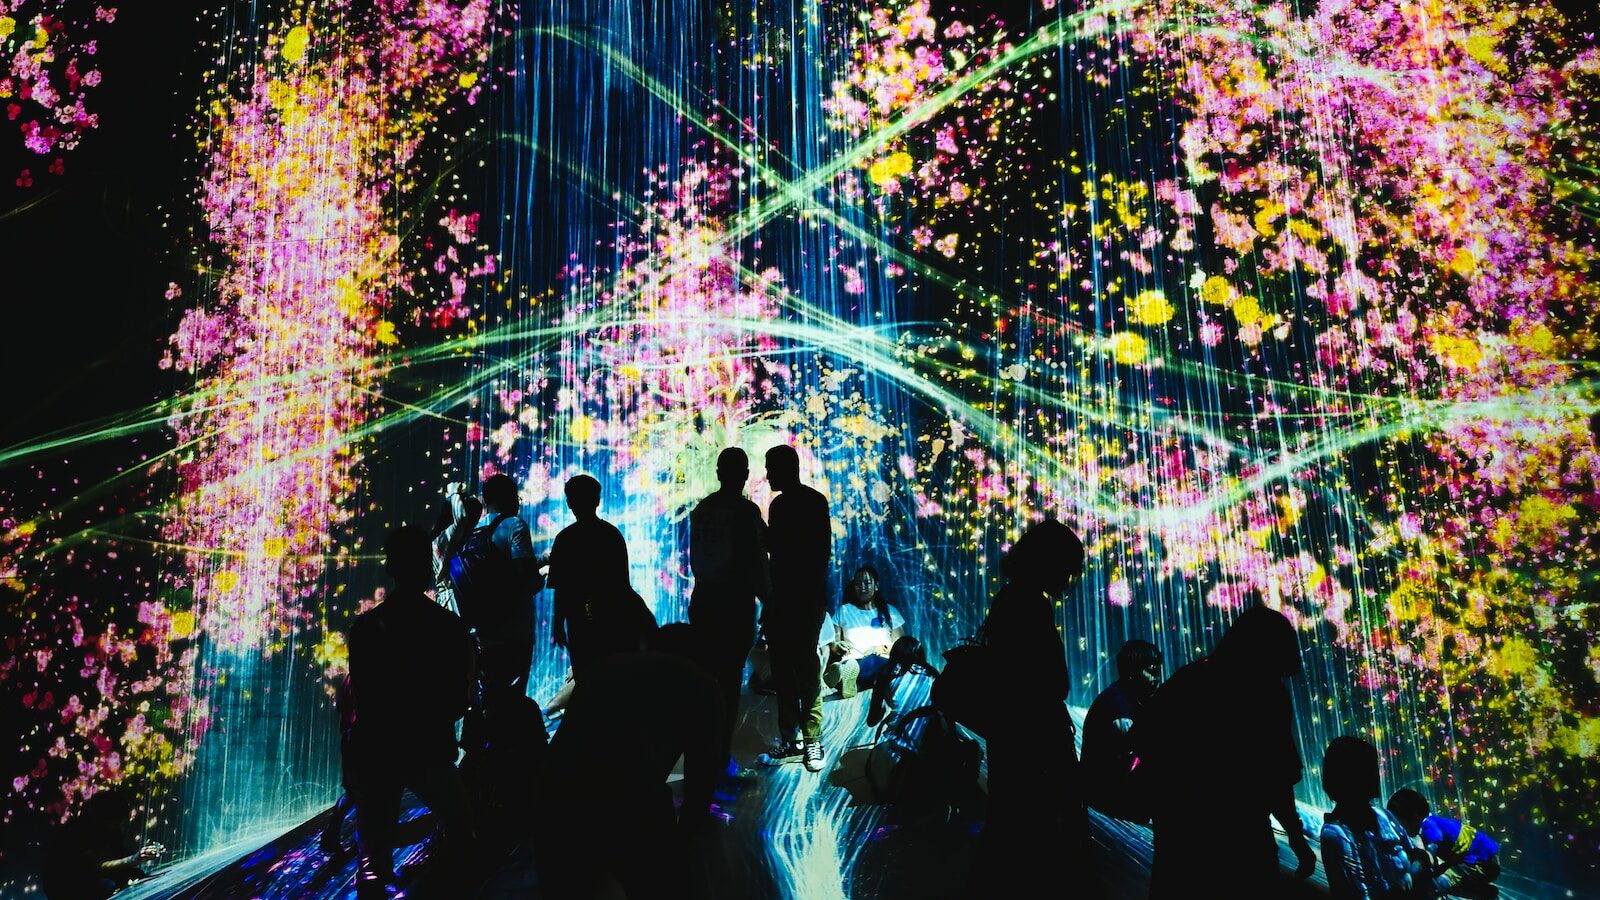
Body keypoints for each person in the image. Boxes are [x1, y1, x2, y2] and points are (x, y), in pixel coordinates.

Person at [1136, 604, 1318, 898]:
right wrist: (1296, 838)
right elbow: (1277, 779)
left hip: (1181, 829)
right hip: (1243, 834)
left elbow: (1145, 742)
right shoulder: (1269, 696)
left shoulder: (1187, 679)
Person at [533, 623, 722, 899]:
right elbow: (700, 788)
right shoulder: (702, 684)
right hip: (633, 799)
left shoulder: (605, 668)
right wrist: (677, 851)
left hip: (557, 794)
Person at [345, 525, 478, 900]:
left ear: (391, 567)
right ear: (425, 566)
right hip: (427, 745)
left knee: (372, 860)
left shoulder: (368, 627)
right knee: (461, 829)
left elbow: (363, 696)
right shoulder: (447, 626)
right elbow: (457, 698)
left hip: (377, 747)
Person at [967, 518, 1098, 897]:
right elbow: (1044, 681)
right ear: (1049, 564)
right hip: (1033, 741)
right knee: (1031, 828)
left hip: (1018, 738)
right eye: (1067, 569)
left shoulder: (1013, 599)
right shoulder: (1027, 605)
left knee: (1012, 826)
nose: (1070, 581)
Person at [688, 448, 772, 773]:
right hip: (734, 604)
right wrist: (769, 602)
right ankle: (721, 753)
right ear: (745, 473)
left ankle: (701, 750)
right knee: (730, 679)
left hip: (704, 600)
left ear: (719, 472)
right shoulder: (746, 512)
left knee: (706, 676)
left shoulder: (702, 509)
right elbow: (758, 561)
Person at [760, 444, 833, 773]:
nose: (767, 475)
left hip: (795, 599)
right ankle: (802, 738)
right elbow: (819, 555)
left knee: (798, 669)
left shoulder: (785, 506)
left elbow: (783, 553)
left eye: (770, 468)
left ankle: (805, 737)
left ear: (784, 468)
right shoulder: (812, 501)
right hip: (802, 598)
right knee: (801, 668)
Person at [458, 472, 544, 707]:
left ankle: (485, 742)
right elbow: (526, 579)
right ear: (512, 498)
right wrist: (542, 577)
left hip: (480, 632)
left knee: (487, 700)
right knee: (510, 703)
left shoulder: (472, 532)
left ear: (486, 501)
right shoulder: (514, 525)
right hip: (513, 632)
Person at [546, 474, 647, 672]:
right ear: (598, 500)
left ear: (569, 502)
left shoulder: (565, 539)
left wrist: (558, 624)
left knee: (585, 672)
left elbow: (561, 587)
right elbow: (622, 583)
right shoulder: (612, 535)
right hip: (612, 615)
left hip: (579, 618)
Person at [824, 565, 930, 728]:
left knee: (876, 662)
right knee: (854, 666)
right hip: (852, 661)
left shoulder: (889, 611)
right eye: (858, 584)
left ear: (876, 585)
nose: (862, 587)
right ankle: (849, 680)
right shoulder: (844, 611)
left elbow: (901, 646)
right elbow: (834, 645)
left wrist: (881, 648)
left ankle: (849, 682)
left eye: (867, 583)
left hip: (883, 663)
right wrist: (839, 645)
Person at [1320, 737, 1426, 899]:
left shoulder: (1384, 815)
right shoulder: (1335, 834)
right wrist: (1416, 869)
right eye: (1370, 770)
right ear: (1351, 778)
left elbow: (1415, 855)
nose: (1377, 776)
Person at [1081, 639, 1163, 822]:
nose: (1157, 679)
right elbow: (1137, 743)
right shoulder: (1115, 702)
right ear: (1132, 672)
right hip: (1105, 794)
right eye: (1151, 672)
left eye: (1158, 672)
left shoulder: (1137, 698)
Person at [41, 789, 163, 900]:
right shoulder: (76, 831)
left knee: (134, 874)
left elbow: (121, 855)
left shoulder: (110, 828)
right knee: (106, 886)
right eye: (115, 822)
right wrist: (134, 858)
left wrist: (143, 856)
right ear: (100, 817)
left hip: (86, 877)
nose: (118, 826)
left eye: (119, 822)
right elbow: (94, 868)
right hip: (63, 885)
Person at [1388, 789, 1501, 899]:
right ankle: (1485, 892)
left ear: (1415, 818)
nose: (1398, 830)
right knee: (1435, 879)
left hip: (1481, 863)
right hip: (1481, 861)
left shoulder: (1427, 825)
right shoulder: (1432, 822)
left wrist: (1407, 879)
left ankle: (1485, 893)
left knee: (1434, 886)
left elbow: (1430, 854)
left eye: (1398, 824)